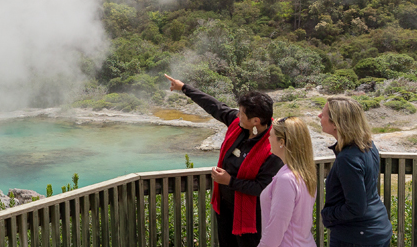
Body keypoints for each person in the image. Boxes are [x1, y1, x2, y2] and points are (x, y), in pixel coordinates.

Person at [165, 74, 283, 247]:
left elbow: (263, 187)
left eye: (242, 113)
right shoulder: (239, 125)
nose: (238, 115)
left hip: (252, 218)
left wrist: (230, 181)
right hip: (226, 209)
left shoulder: (272, 146)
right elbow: (215, 106)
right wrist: (184, 88)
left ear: (256, 121)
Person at [319, 97, 392, 247]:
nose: (319, 116)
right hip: (375, 228)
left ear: (336, 123)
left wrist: (328, 215)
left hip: (357, 237)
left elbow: (356, 207)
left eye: (324, 113)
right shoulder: (368, 146)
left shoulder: (348, 158)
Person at [258, 117, 317, 247]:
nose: (268, 139)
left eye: (271, 135)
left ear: (282, 142)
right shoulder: (306, 174)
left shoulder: (286, 179)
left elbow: (276, 228)